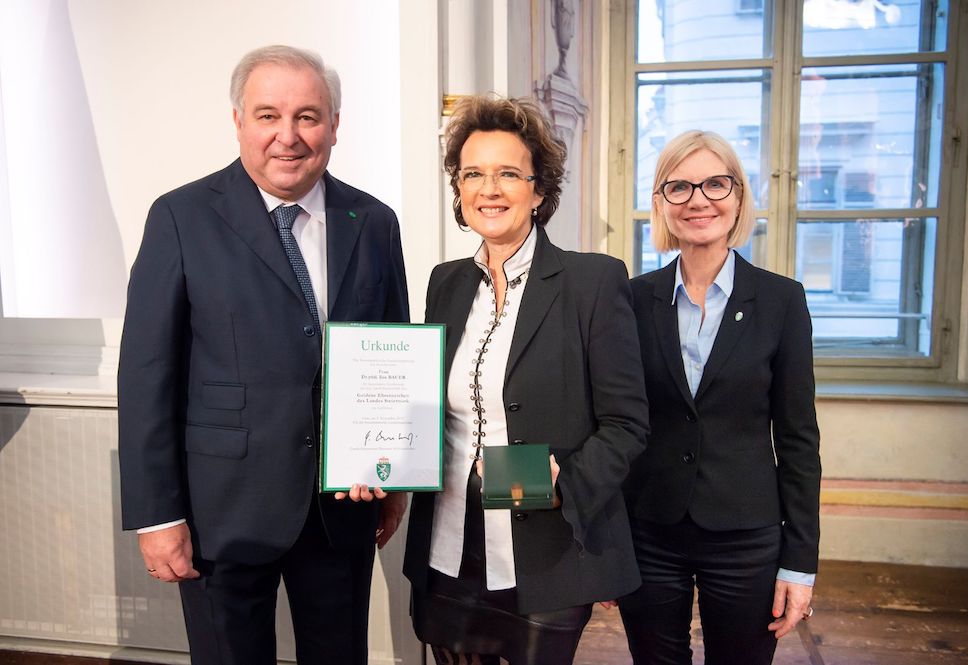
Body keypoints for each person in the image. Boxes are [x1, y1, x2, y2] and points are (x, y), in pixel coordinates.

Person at [117, 45, 409, 665]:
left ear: (334, 124)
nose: (289, 136)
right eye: (269, 115)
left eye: (308, 116)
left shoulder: (375, 221)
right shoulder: (180, 217)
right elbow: (147, 375)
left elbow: (391, 354)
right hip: (220, 511)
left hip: (341, 508)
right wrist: (156, 515)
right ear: (238, 122)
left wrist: (395, 477)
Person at [402, 96, 649, 665]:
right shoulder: (445, 284)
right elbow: (429, 410)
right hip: (448, 545)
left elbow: (627, 424)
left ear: (539, 192)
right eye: (474, 174)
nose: (490, 189)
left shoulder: (591, 281)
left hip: (544, 551)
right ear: (459, 192)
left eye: (509, 173)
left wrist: (561, 482)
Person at [619, 129, 822, 665]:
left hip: (746, 534)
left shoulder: (782, 300)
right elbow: (614, 418)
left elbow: (799, 441)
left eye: (715, 183)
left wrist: (799, 564)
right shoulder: (633, 300)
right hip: (649, 528)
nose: (698, 200)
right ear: (661, 204)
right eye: (679, 187)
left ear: (737, 198)